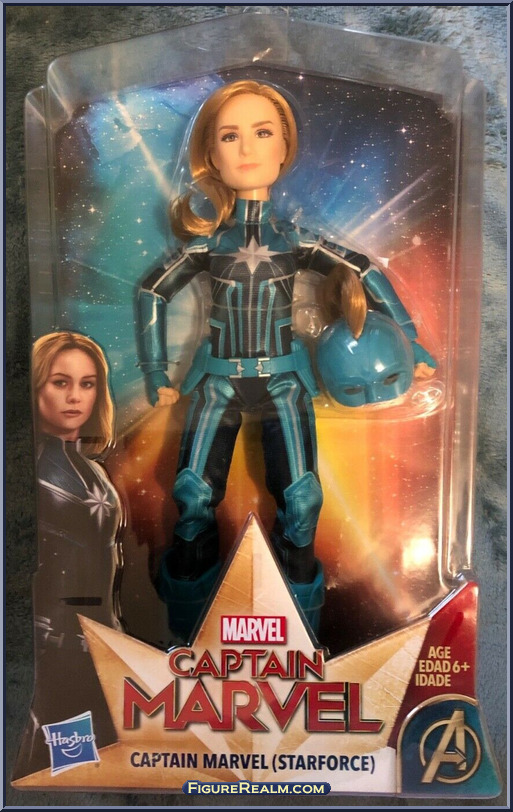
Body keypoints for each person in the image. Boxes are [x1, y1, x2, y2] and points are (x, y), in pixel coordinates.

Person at [137, 80, 435, 641]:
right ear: (211, 155)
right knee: (193, 496)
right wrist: (156, 372)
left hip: (283, 379)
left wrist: (410, 340)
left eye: (262, 132)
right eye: (230, 136)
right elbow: (154, 289)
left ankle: (298, 632)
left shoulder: (296, 240)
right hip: (217, 379)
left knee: (301, 501)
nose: (247, 147)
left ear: (284, 147)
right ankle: (185, 635)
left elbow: (362, 269)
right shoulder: (208, 245)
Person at [14, 332, 123, 777]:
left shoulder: (93, 471)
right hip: (46, 650)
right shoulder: (22, 469)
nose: (75, 396)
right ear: (35, 385)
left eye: (87, 383)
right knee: (56, 771)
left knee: (91, 772)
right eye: (60, 382)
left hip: (96, 645)